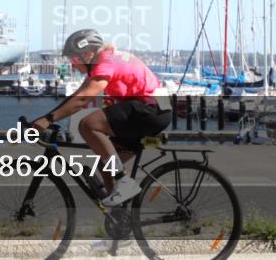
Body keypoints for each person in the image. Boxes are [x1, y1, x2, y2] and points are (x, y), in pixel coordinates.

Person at [31, 29, 171, 207]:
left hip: (150, 109)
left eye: (73, 59)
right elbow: (78, 95)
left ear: (88, 53)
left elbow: (83, 99)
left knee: (89, 125)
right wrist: (48, 117)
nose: (72, 65)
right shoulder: (105, 60)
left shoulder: (106, 62)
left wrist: (48, 119)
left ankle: (124, 182)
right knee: (106, 165)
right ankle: (120, 219)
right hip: (154, 110)